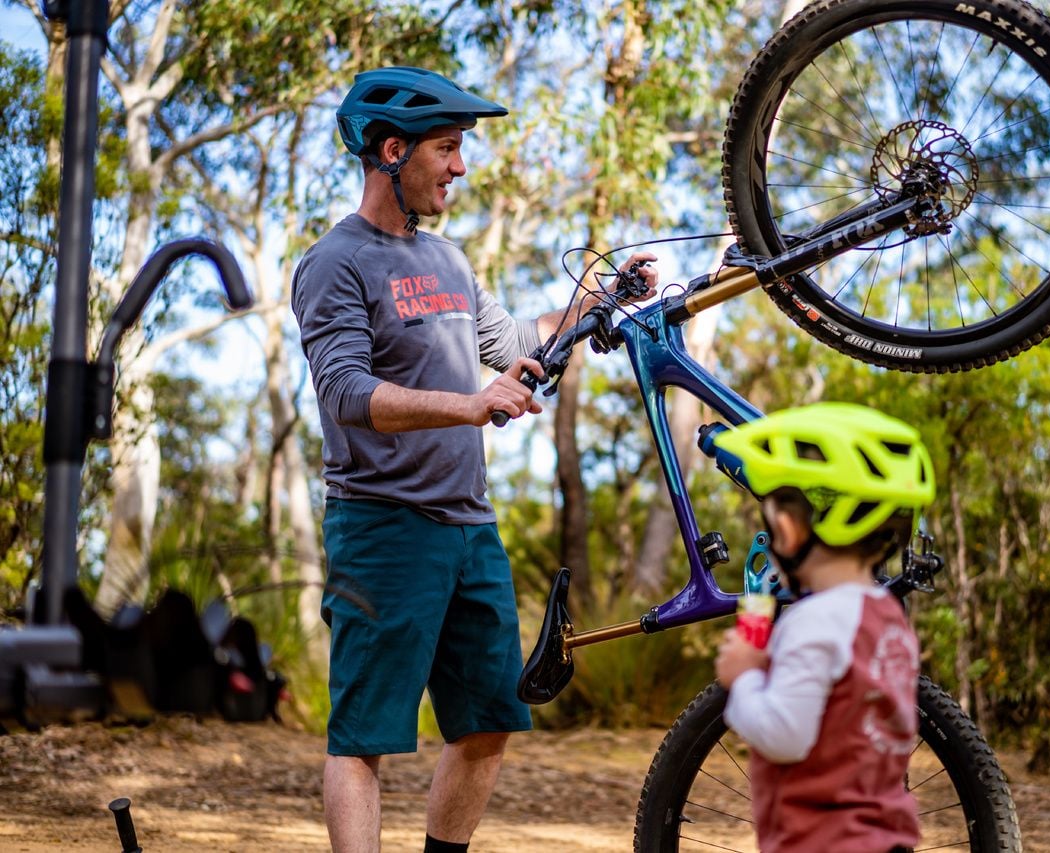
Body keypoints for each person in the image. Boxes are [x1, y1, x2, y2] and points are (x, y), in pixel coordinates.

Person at [290, 66, 657, 853]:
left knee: (490, 722)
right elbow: (347, 392)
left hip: (469, 528)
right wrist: (471, 404)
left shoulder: (449, 261)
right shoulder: (334, 262)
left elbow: (519, 342)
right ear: (393, 150)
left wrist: (601, 298)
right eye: (447, 148)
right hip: (383, 527)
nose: (460, 167)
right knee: (363, 737)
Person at [712, 402, 937, 853]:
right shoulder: (887, 616)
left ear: (786, 528)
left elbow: (784, 735)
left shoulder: (814, 621)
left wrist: (744, 677)